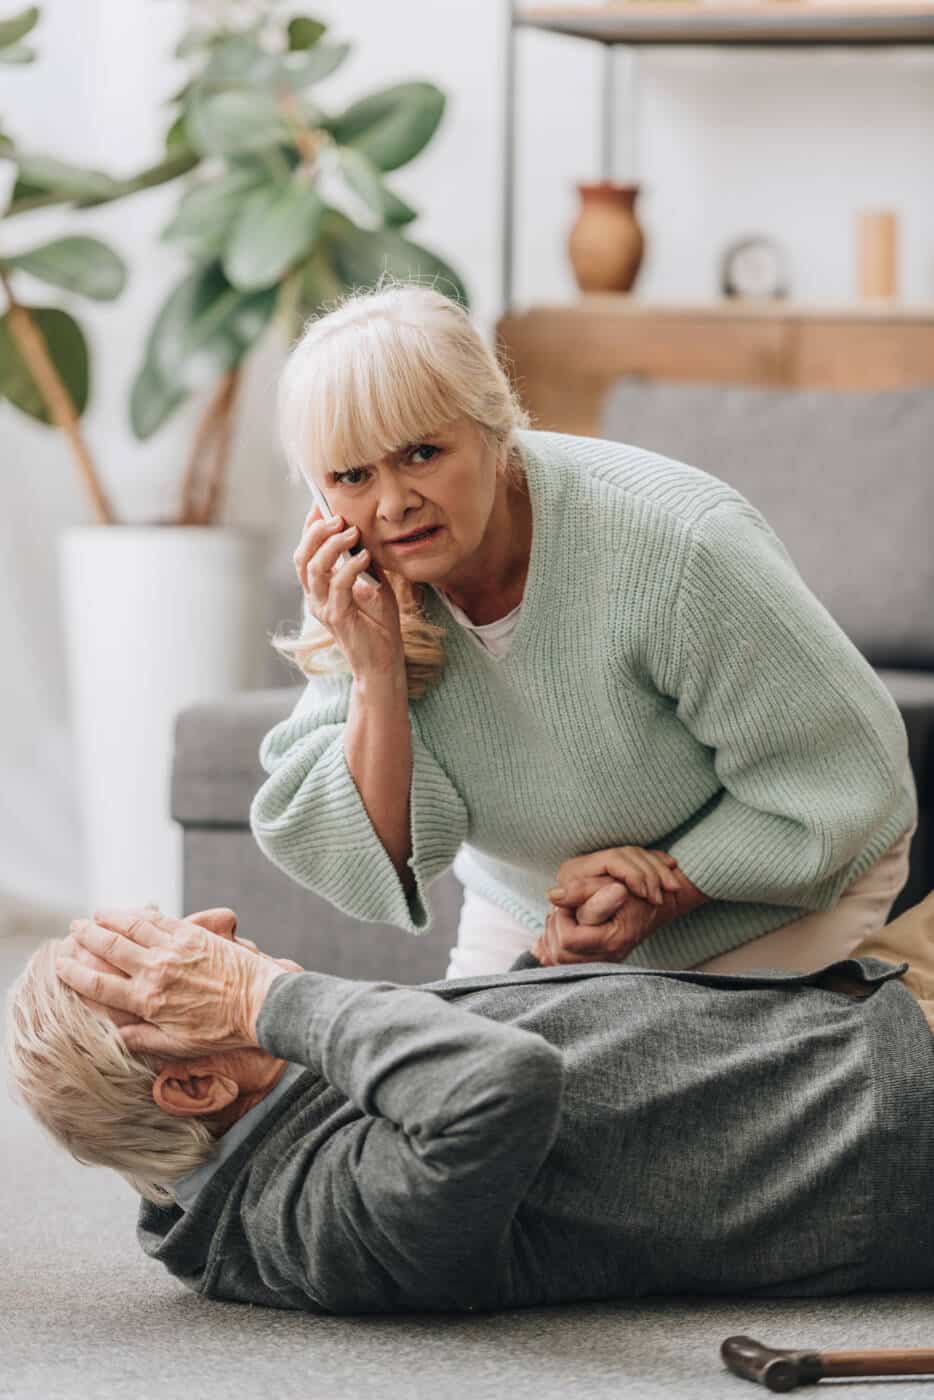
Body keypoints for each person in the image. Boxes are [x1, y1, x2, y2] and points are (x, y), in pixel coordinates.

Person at [251, 277, 917, 980]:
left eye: (422, 453)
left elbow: (845, 775)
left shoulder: (680, 546)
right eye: (354, 475)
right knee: (457, 1086)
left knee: (677, 1085)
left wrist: (663, 887)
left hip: (769, 887)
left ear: (492, 426)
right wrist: (375, 673)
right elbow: (371, 853)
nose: (392, 504)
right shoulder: (370, 578)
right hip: (538, 898)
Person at [6, 896, 934, 1316]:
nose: (222, 933)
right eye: (179, 972)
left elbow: (485, 1059)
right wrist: (259, 999)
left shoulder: (265, 1109)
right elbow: (498, 1087)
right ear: (198, 1087)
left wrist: (547, 974)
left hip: (860, 1006)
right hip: (890, 1120)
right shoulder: (312, 1227)